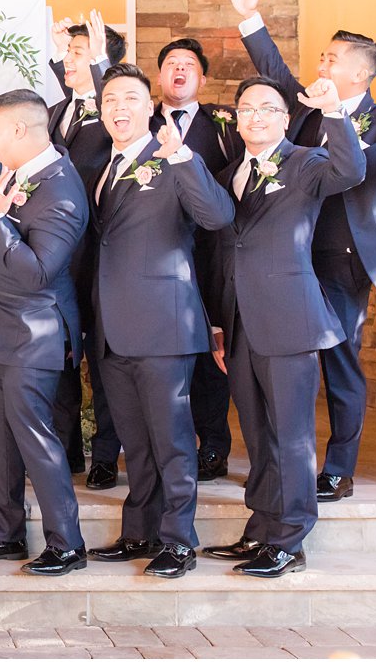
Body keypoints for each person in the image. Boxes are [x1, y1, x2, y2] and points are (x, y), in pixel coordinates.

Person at [224, 0, 376, 502]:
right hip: (294, 256)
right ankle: (285, 464)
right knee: (292, 363)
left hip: (347, 258)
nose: (321, 65)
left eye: (331, 59)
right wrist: (249, 18)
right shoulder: (304, 107)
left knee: (339, 358)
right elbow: (275, 73)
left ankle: (338, 467)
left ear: (359, 72)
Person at [204, 74, 365, 578]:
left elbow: (351, 168)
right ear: (236, 116)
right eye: (247, 108)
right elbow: (221, 253)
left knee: (291, 435)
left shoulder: (307, 163)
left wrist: (335, 113)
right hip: (239, 322)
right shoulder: (229, 173)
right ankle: (262, 528)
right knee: (257, 433)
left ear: (285, 118)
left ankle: (291, 538)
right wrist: (217, 323)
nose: (256, 116)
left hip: (291, 319)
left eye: (268, 109)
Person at [84, 64, 235, 580]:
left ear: (150, 106)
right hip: (112, 330)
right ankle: (140, 531)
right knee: (135, 442)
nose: (118, 109)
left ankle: (178, 541)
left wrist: (184, 159)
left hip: (164, 327)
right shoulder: (104, 167)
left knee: (172, 442)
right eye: (109, 101)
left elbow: (217, 217)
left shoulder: (172, 159)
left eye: (129, 98)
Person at [0, 90, 90, 577]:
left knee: (36, 441)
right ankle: (3, 534)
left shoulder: (62, 191)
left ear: (21, 131)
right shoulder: (21, 172)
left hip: (32, 335)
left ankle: (67, 543)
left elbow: (37, 272)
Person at [147, 38, 241, 482]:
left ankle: (213, 446)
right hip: (156, 251)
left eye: (188, 65)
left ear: (201, 78)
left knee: (211, 350)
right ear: (159, 75)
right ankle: (163, 446)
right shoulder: (139, 121)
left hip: (209, 253)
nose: (179, 71)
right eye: (170, 64)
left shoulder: (226, 125)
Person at [45, 12, 124, 491]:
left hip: (99, 255)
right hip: (59, 255)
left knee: (103, 358)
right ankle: (67, 448)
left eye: (79, 55)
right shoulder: (58, 112)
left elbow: (99, 90)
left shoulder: (116, 110)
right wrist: (64, 54)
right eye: (69, 56)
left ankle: (106, 456)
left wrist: (92, 59)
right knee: (62, 355)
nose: (67, 62)